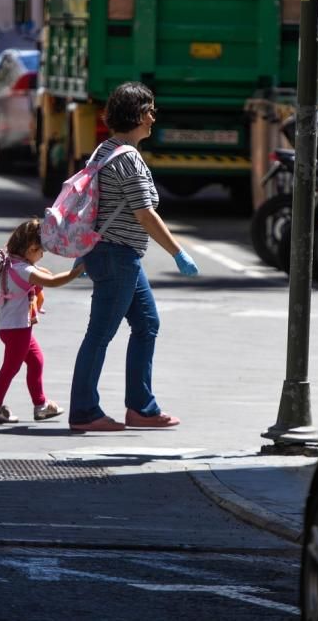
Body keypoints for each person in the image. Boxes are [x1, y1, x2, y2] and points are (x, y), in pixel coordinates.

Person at [69, 81, 199, 432]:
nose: (154, 118)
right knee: (100, 334)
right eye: (151, 111)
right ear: (139, 115)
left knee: (146, 324)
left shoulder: (104, 150)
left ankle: (141, 407)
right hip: (116, 256)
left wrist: (84, 253)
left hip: (113, 253)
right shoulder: (128, 159)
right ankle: (84, 411)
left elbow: (94, 204)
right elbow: (145, 214)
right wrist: (178, 252)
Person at [0, 218, 83, 424]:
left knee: (36, 361)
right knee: (10, 368)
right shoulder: (24, 270)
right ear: (31, 248)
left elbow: (41, 273)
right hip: (18, 328)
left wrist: (42, 270)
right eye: (41, 251)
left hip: (12, 327)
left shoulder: (12, 262)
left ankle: (41, 406)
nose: (42, 255)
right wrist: (76, 272)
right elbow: (53, 281)